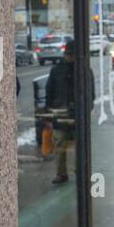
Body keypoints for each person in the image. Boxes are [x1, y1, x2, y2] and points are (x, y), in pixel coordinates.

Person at [44, 41, 90, 185]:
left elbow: (90, 93)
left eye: (71, 54)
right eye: (68, 54)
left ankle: (75, 171)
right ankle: (63, 173)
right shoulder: (59, 70)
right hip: (62, 113)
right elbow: (49, 92)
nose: (69, 57)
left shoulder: (81, 70)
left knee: (73, 145)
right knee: (61, 145)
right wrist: (49, 113)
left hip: (73, 113)